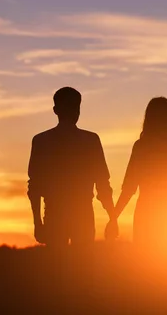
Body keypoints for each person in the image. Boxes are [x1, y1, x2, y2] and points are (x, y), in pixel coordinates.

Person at [27, 87, 116, 247]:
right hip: (82, 216)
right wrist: (112, 217)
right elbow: (103, 185)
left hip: (55, 216)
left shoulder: (41, 141)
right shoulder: (90, 141)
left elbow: (35, 188)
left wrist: (37, 222)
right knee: (82, 268)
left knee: (57, 269)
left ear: (56, 110)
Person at [110, 97, 167, 251]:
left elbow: (129, 188)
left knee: (145, 265)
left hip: (147, 213)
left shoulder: (141, 147)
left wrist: (114, 217)